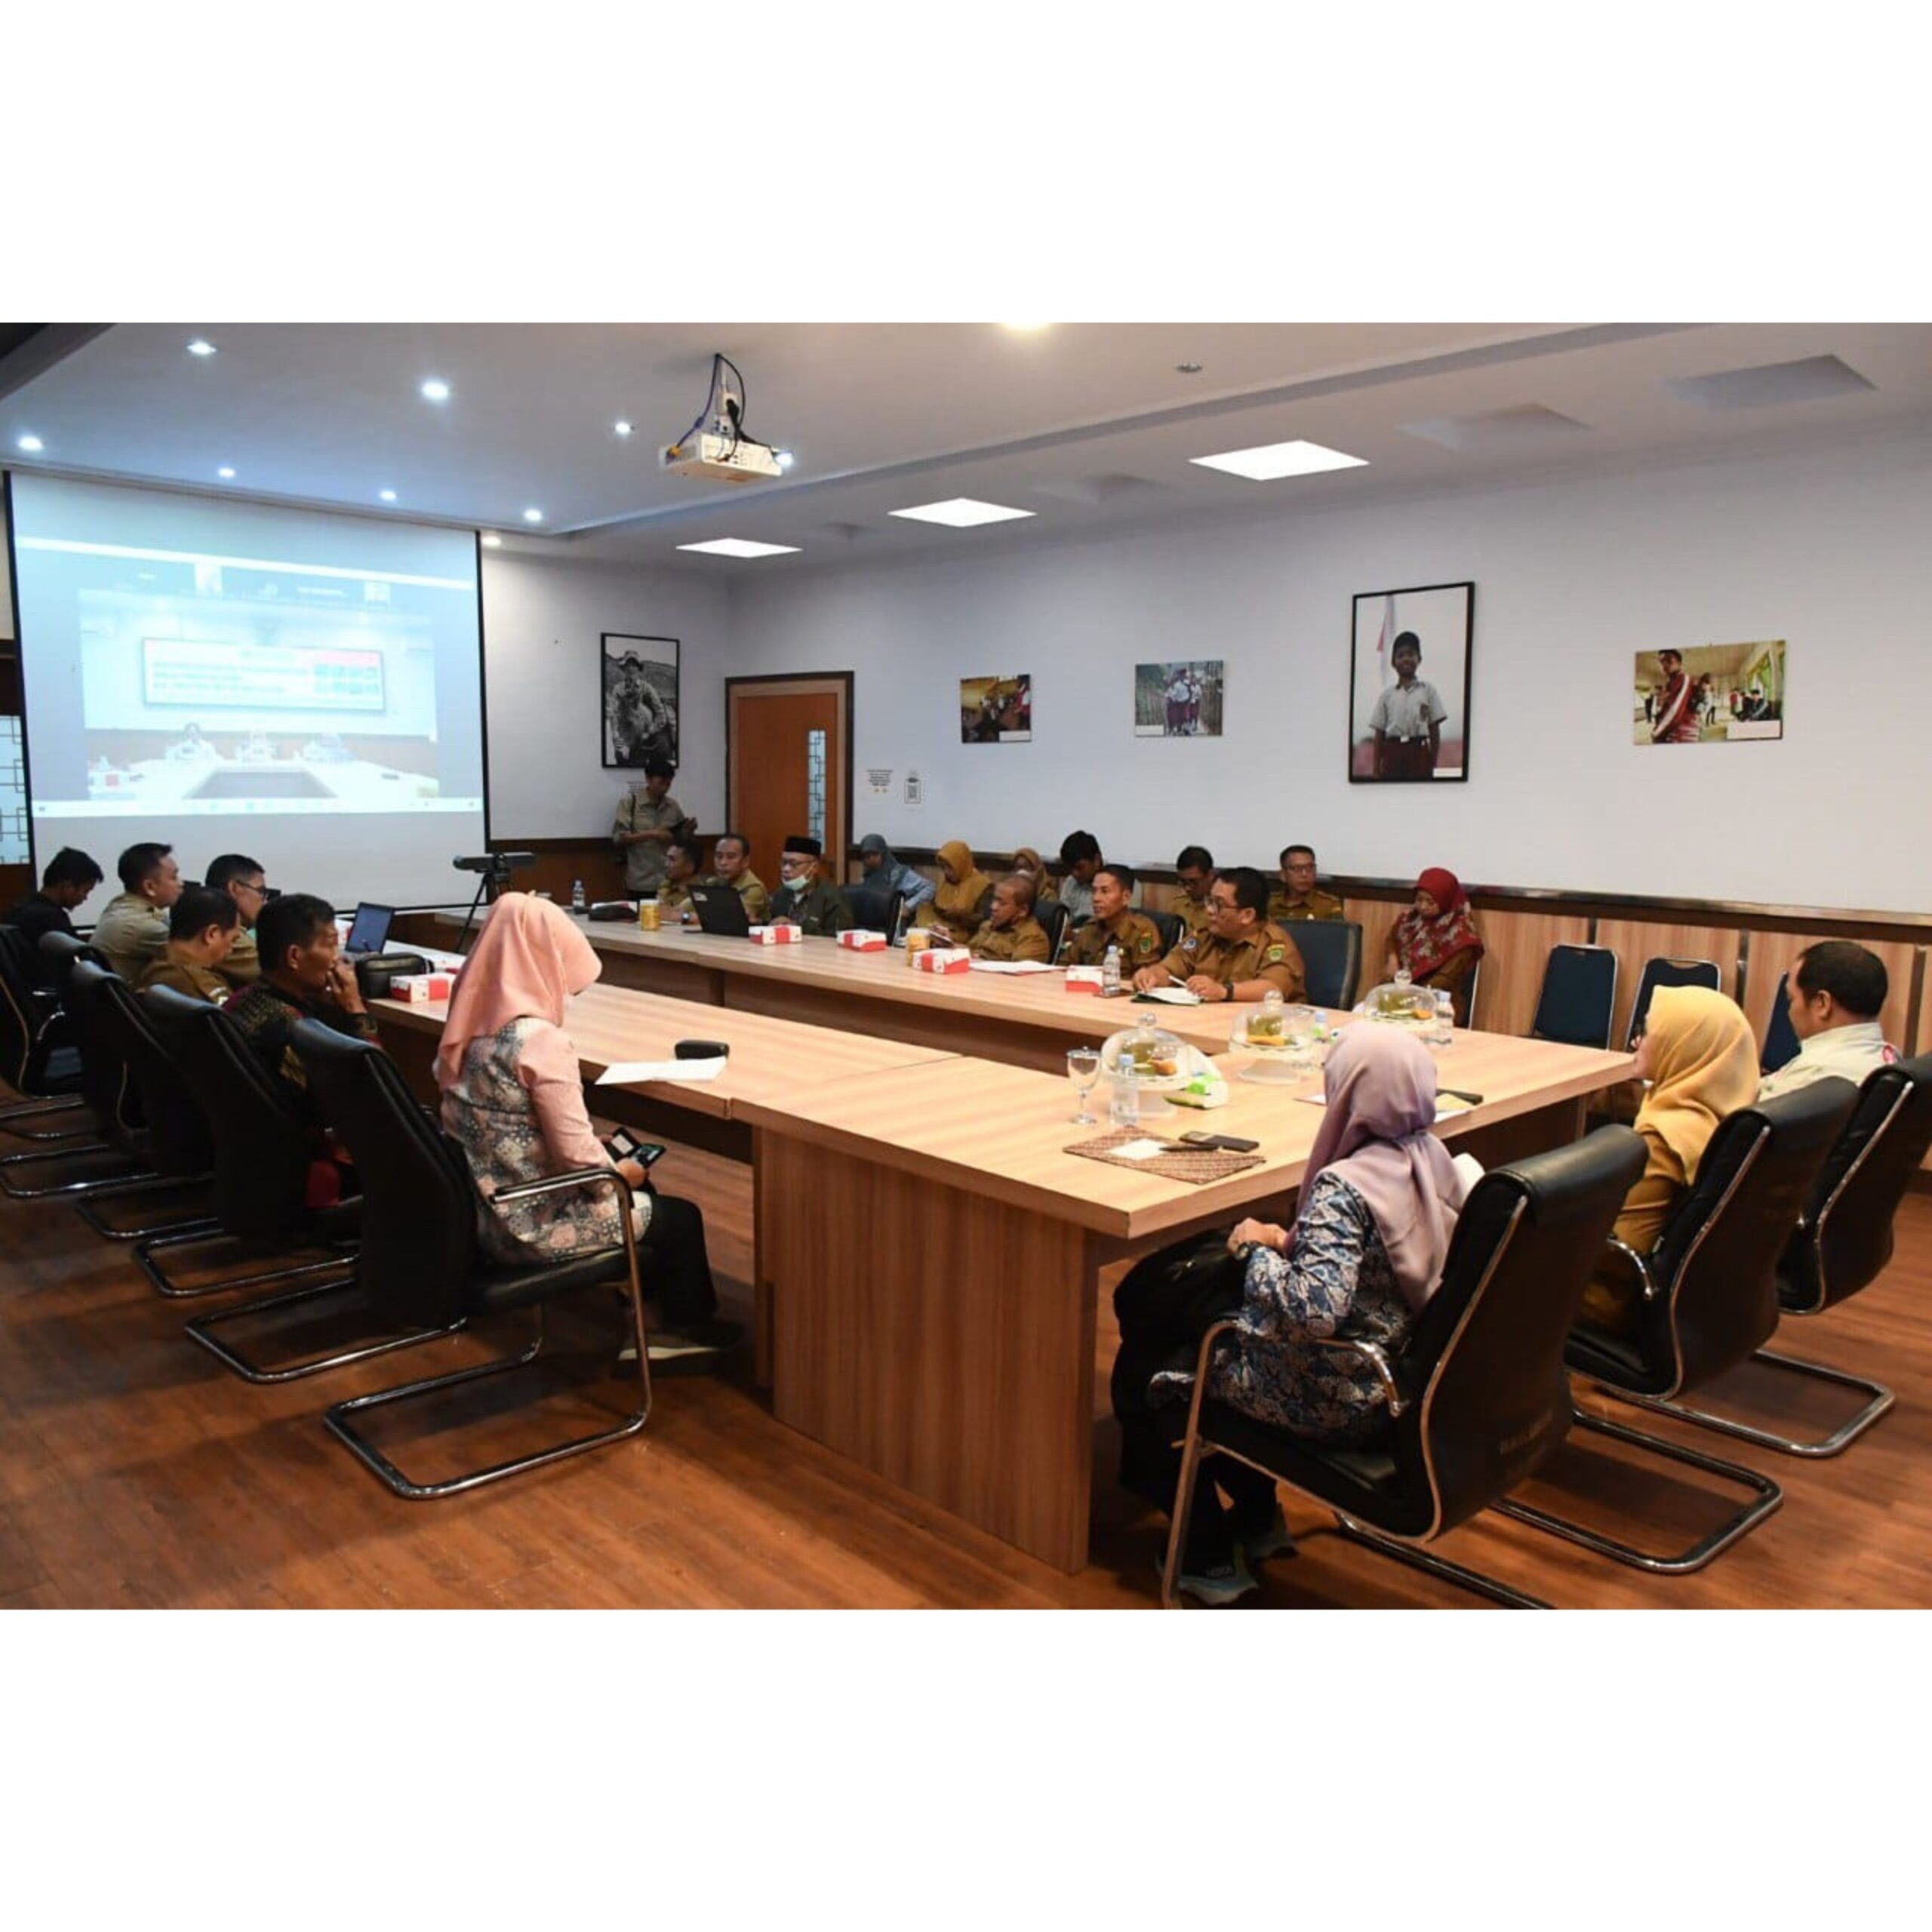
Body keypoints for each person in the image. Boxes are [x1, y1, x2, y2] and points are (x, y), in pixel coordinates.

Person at [1112, 1026, 1477, 1603]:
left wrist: (1253, 1249)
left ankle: (1205, 1555)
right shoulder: (1433, 1159)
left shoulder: (1345, 1188)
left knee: (1148, 1369)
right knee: (1208, 1331)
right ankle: (1259, 1520)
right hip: (1400, 1375)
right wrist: (1289, 1245)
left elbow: (1312, 1313)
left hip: (1341, 1391)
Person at [435, 893, 739, 1364]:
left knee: (638, 1189)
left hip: (483, 1213)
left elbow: (501, 1123)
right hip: (532, 1226)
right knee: (678, 1217)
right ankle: (679, 1331)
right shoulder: (540, 1043)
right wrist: (619, 1175)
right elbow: (583, 1165)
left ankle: (643, 1315)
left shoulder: (469, 1026)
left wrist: (594, 1158)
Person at [1579, 986, 1760, 1335]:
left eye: (1648, 1032)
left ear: (1682, 1047)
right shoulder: (1727, 1115)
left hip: (1606, 1300)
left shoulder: (1665, 1137)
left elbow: (1619, 1252)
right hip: (1701, 1307)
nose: (1637, 1041)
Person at [223, 893, 383, 1205]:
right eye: (330, 945)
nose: (338, 959)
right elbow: (372, 1095)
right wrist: (354, 1008)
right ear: (295, 956)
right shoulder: (291, 1028)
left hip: (246, 1157)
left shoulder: (242, 1000)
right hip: (296, 1167)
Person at [1134, 866, 1304, 1004]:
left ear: (1247, 915)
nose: (1209, 910)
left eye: (1218, 905)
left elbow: (1273, 990)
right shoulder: (1204, 936)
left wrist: (1223, 991)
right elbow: (1169, 969)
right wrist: (1151, 975)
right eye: (1209, 901)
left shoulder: (1274, 941)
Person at [1758, 942, 1900, 1101]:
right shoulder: (1890, 1056)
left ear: (1822, 1004)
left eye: (1791, 999)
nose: (1789, 1011)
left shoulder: (1814, 1071)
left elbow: (1743, 1114)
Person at [1385, 868, 1484, 1023]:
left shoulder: (1461, 933)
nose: (1423, 906)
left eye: (1430, 902)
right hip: (1401, 993)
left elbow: (1444, 979)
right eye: (1419, 900)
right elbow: (1392, 939)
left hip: (1440, 1003)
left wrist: (1411, 998)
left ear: (1445, 899)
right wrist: (1393, 959)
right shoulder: (1410, 919)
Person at [91, 842, 183, 983]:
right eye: (174, 877)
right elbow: (200, 959)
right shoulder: (144, 927)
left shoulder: (119, 903)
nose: (181, 883)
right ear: (149, 887)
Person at [138, 886, 241, 1002]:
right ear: (212, 934)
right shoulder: (194, 981)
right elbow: (231, 1013)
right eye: (233, 939)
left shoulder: (157, 969)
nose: (231, 950)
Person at [5, 848, 103, 969]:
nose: (85, 898)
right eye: (86, 891)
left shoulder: (21, 909)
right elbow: (84, 960)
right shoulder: (51, 919)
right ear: (67, 886)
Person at [1369, 632, 1448, 780]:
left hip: (1419, 753)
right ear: (1393, 663)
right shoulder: (1387, 695)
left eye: (1411, 654)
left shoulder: (1428, 690)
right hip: (1393, 753)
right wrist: (1376, 770)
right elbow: (1379, 734)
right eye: (1400, 655)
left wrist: (1433, 762)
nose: (1406, 659)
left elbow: (1434, 729)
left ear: (1419, 659)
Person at [612, 757, 693, 898]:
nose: (665, 788)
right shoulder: (630, 803)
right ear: (648, 779)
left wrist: (688, 830)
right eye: (661, 782)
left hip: (668, 881)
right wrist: (652, 834)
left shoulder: (672, 806)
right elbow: (619, 838)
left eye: (668, 784)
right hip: (639, 881)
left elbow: (681, 840)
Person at [1065, 863, 1164, 971]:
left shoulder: (1142, 931)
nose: (1096, 898)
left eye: (1105, 891)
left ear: (1126, 897)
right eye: (1094, 891)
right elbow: (1064, 966)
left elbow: (1147, 975)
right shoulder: (1089, 928)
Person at [767, 835, 852, 936]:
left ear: (814, 867)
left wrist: (797, 929)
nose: (786, 869)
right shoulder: (780, 895)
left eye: (794, 864)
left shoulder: (832, 898)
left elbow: (840, 937)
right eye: (784, 863)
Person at [206, 853, 267, 986]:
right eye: (261, 891)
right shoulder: (224, 935)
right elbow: (286, 975)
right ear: (234, 888)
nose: (264, 901)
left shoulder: (206, 923)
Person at [961, 873, 1051, 961]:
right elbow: (969, 951)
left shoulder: (1033, 938)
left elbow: (1019, 969)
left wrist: (980, 961)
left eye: (1002, 904)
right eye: (994, 900)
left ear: (1022, 911)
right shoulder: (988, 926)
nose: (993, 907)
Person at [920, 839, 994, 945]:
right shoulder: (945, 883)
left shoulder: (982, 885)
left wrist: (962, 916)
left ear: (961, 864)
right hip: (941, 933)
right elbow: (935, 907)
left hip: (969, 940)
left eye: (950, 867)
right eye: (943, 867)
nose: (946, 872)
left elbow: (987, 921)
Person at [856, 833, 937, 918]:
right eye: (867, 856)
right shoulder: (867, 876)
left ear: (883, 854)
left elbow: (930, 887)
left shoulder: (899, 874)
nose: (871, 859)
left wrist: (909, 906)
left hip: (893, 921)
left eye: (875, 855)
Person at [1267, 844, 1344, 924]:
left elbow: (1338, 931)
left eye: (1309, 868)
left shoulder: (1329, 905)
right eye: (1297, 868)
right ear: (1283, 875)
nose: (1304, 874)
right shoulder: (1268, 903)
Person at [704, 832, 769, 923]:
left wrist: (695, 917)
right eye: (719, 856)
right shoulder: (712, 883)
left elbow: (732, 917)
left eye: (730, 857)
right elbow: (684, 908)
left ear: (745, 861)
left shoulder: (754, 888)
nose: (723, 863)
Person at [1648, 648, 1700, 744]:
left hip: (1683, 735)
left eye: (1669, 660)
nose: (1665, 665)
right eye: (1662, 662)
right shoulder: (1670, 683)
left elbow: (1675, 710)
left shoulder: (1684, 678)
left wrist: (1657, 732)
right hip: (1673, 734)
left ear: (1679, 663)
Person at [1055, 831, 1103, 922]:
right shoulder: (1071, 882)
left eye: (1079, 867)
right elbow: (1063, 917)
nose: (1075, 873)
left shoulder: (1113, 886)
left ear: (1097, 860)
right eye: (1071, 868)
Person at [1171, 846, 1216, 938]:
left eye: (1193, 882)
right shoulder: (1176, 905)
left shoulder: (1220, 911)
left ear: (1210, 875)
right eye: (1183, 882)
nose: (1187, 888)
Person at [656, 840, 703, 924]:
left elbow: (703, 919)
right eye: (667, 859)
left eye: (672, 860)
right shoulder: (665, 887)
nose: (666, 864)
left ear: (689, 866)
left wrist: (675, 916)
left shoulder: (701, 894)